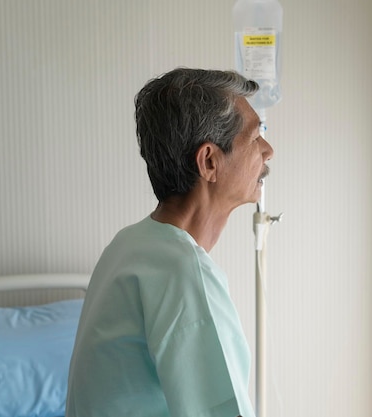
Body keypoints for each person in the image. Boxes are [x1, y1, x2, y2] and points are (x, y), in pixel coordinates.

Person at [65, 68, 274, 417]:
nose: (268, 151)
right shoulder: (183, 272)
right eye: (255, 138)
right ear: (209, 161)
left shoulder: (128, 245)